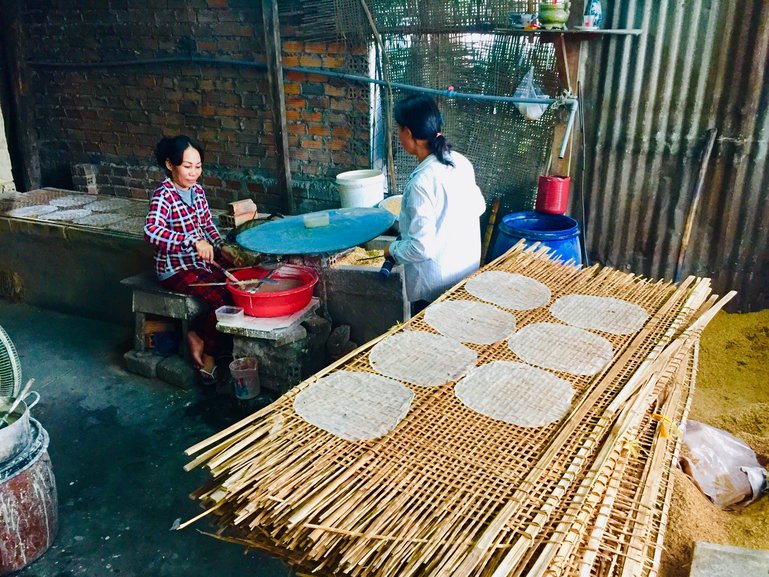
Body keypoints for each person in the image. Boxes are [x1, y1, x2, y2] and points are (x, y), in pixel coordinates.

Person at [144, 134, 244, 385]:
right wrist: (191, 242)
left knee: (240, 286)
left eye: (198, 166)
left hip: (200, 263)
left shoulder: (197, 191)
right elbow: (151, 231)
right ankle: (201, 342)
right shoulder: (163, 195)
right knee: (221, 298)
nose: (193, 173)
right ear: (170, 165)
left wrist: (222, 247)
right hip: (174, 268)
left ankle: (206, 337)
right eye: (187, 166)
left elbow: (208, 225)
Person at [385, 94, 487, 313]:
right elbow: (479, 207)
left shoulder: (420, 183)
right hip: (465, 273)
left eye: (398, 130)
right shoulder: (460, 162)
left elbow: (421, 248)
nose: (398, 135)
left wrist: (392, 250)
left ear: (408, 133)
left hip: (435, 287)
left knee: (431, 341)